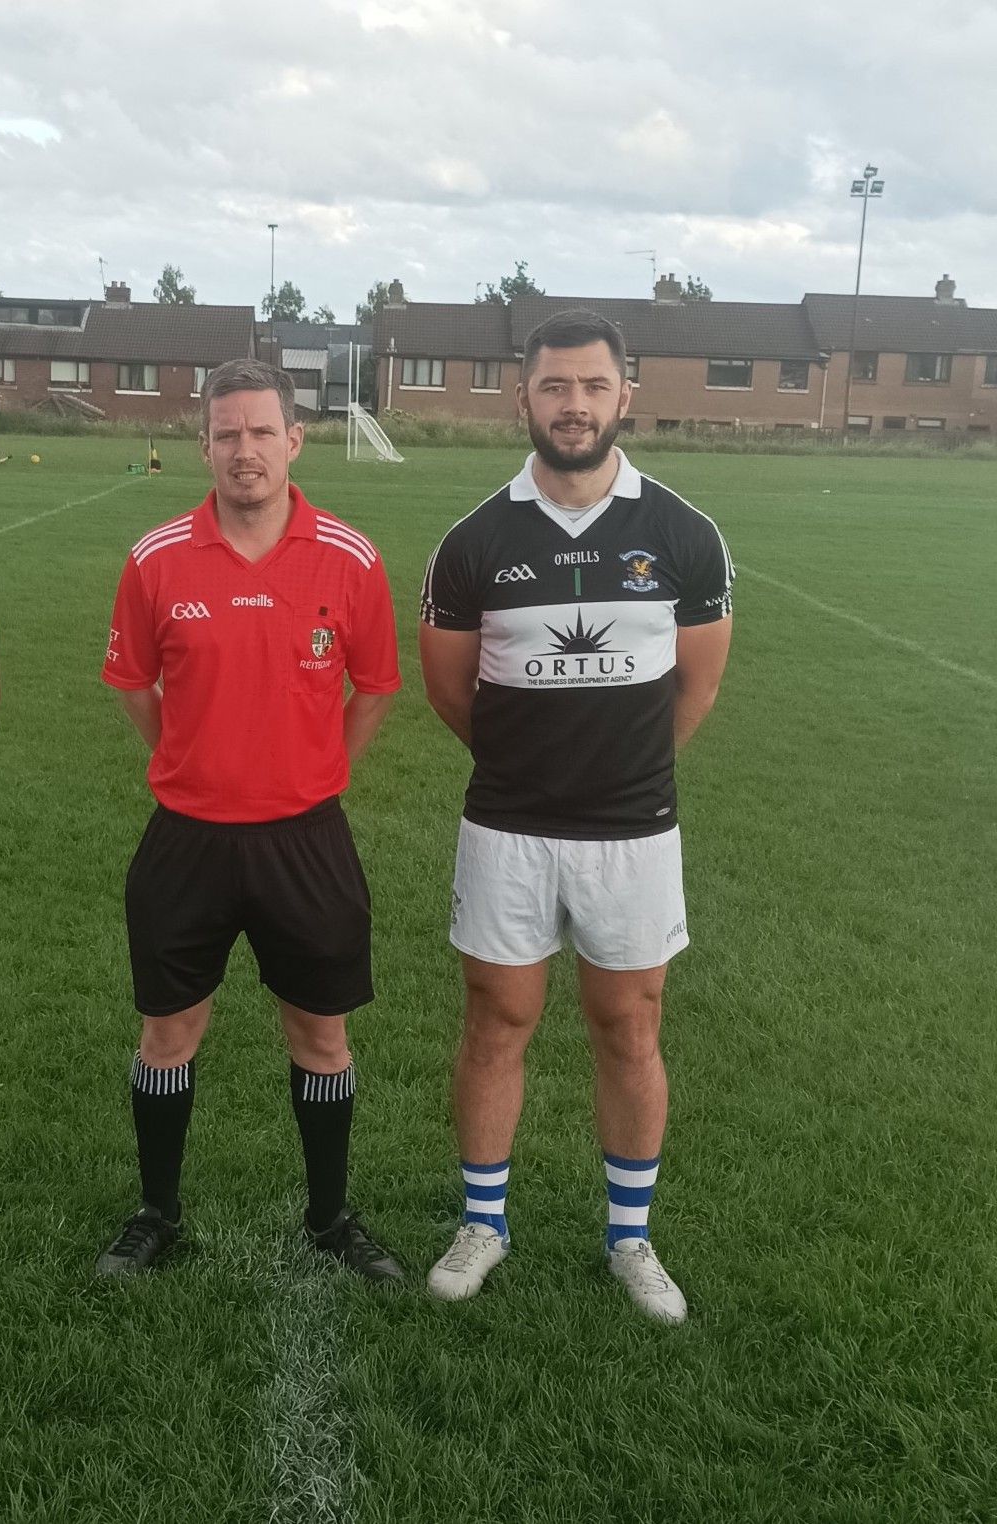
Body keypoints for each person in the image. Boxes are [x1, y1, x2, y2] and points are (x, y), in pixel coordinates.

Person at [417, 310, 733, 1321]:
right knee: (495, 1020)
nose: (572, 405)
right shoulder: (472, 543)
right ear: (523, 398)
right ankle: (482, 1222)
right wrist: (530, 767)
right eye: (554, 387)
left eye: (592, 387)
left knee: (628, 1025)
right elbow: (449, 691)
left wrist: (618, 769)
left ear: (622, 397)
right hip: (506, 826)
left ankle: (629, 1238)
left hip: (633, 832)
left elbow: (694, 690)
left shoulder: (682, 536)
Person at [95, 358, 404, 1281]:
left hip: (305, 840)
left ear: (294, 440)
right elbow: (134, 684)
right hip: (185, 838)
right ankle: (156, 1210)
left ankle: (330, 1214)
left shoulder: (349, 558)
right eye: (226, 434)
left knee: (321, 1035)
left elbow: (377, 687)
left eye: (261, 432)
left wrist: (318, 769)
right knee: (167, 1033)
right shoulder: (156, 559)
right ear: (204, 447)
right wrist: (191, 760)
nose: (244, 451)